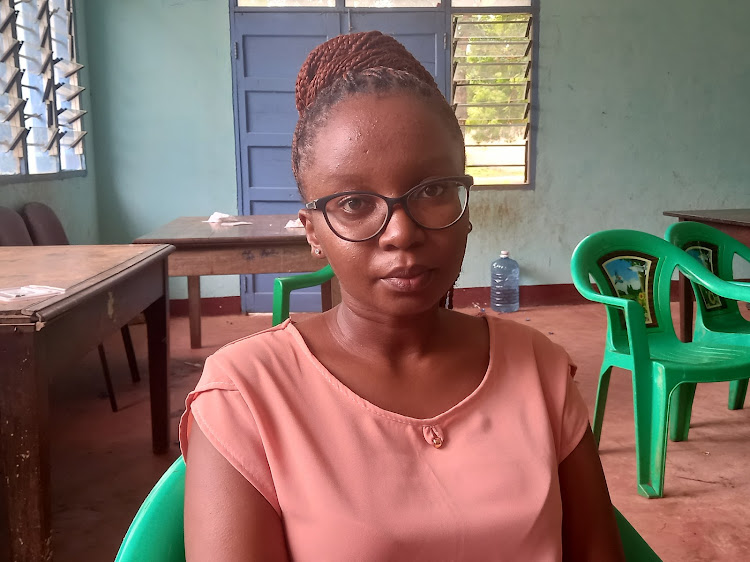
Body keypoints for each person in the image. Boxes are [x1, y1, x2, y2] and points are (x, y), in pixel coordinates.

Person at [181, 31, 625, 561]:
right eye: (352, 203)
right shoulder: (245, 396)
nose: (400, 232)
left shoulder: (538, 369)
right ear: (311, 230)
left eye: (434, 191)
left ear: (468, 203)